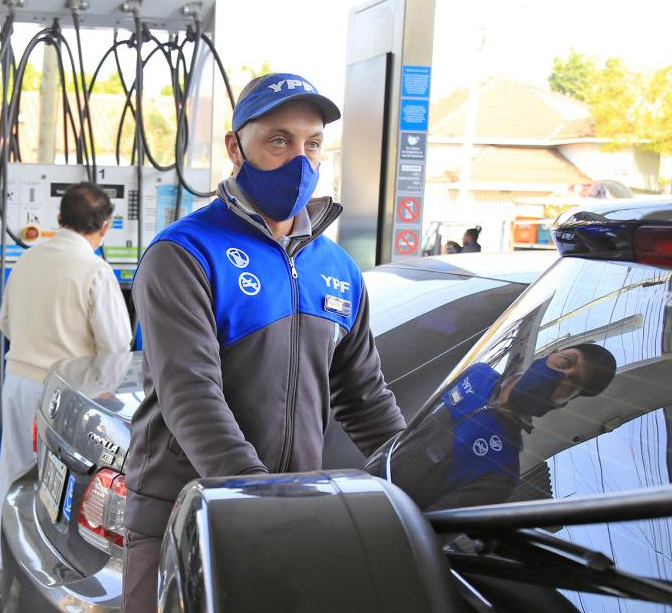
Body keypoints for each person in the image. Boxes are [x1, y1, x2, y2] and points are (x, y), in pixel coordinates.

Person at [122, 73, 406, 610]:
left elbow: (366, 399)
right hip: (185, 514)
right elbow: (191, 394)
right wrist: (257, 498)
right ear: (236, 147)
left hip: (291, 516)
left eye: (313, 143)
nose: (300, 159)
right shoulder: (184, 254)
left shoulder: (338, 269)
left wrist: (423, 475)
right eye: (279, 140)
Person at [0, 182, 132, 566]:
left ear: (59, 219)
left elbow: (5, 323)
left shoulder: (27, 260)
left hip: (18, 381)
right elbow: (118, 345)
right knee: (55, 489)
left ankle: (6, 564)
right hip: (65, 393)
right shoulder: (94, 270)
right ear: (104, 227)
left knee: (15, 475)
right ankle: (45, 570)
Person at [375, 344, 616, 511]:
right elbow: (408, 429)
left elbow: (423, 536)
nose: (561, 376)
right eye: (566, 362)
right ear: (552, 353)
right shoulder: (477, 374)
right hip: (359, 480)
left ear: (561, 405)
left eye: (572, 382)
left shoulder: (502, 472)